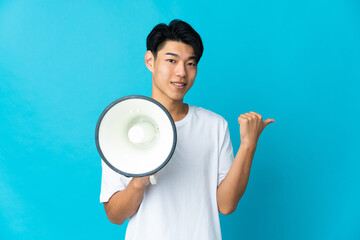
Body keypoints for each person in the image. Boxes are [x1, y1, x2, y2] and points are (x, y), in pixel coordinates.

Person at [100, 19, 275, 239]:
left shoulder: (214, 125)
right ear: (150, 61)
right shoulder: (120, 125)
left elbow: (226, 205)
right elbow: (115, 216)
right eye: (171, 60)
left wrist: (248, 145)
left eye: (190, 63)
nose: (181, 72)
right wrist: (139, 181)